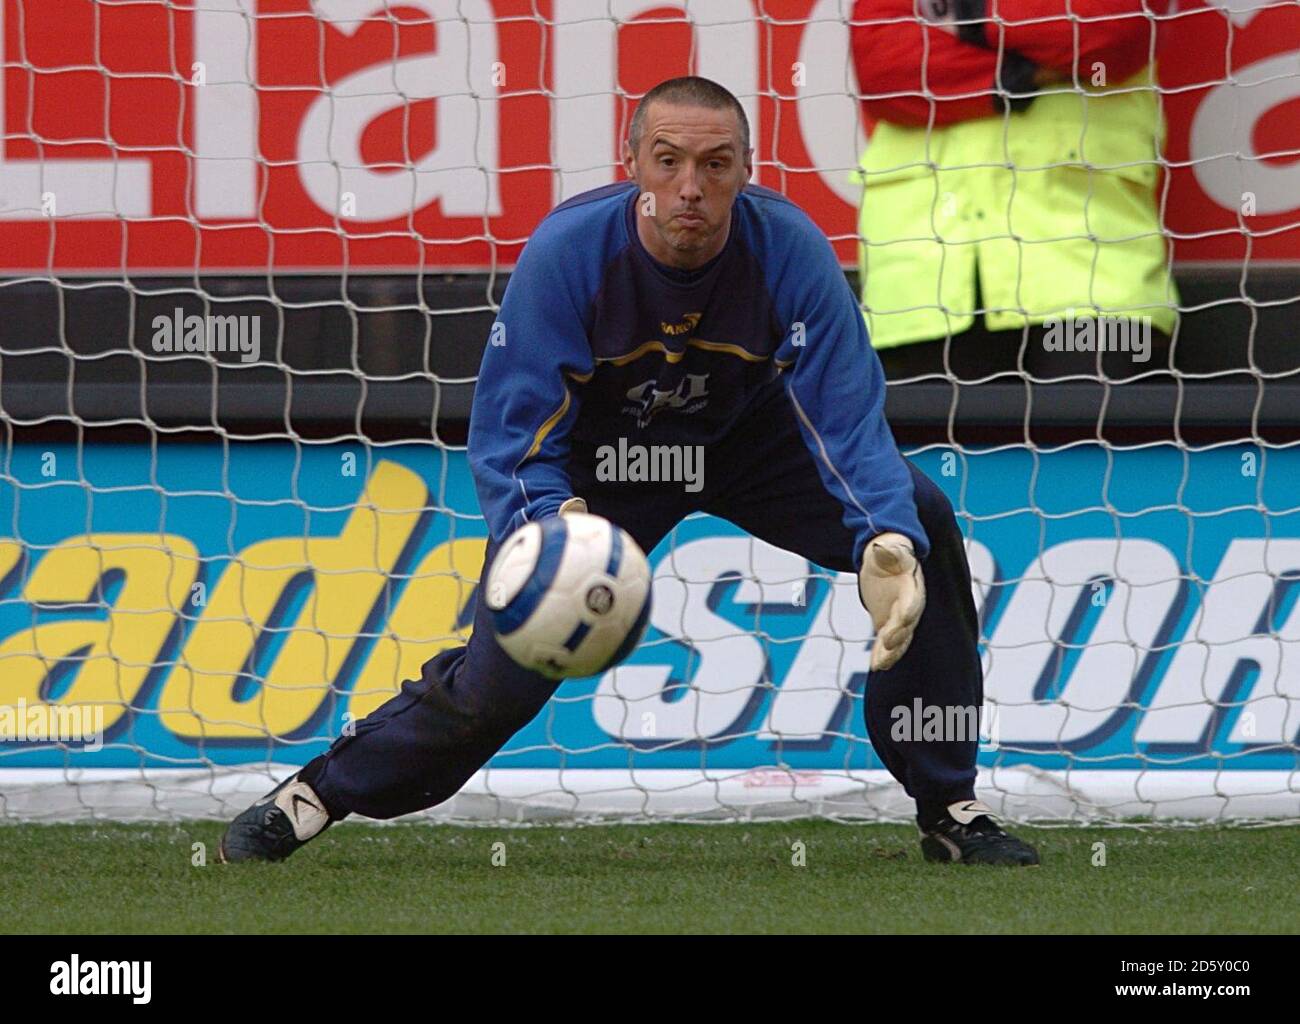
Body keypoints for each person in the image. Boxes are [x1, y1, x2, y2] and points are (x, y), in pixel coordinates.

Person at [219, 76, 1039, 867]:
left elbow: (846, 423)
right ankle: (319, 794)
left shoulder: (791, 252)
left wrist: (883, 534)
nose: (691, 186)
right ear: (633, 167)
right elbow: (513, 437)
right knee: (498, 679)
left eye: (716, 165)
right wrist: (549, 528)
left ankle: (950, 806)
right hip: (599, 472)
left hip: (751, 450)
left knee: (923, 523)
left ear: (744, 173)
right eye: (668, 160)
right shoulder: (570, 254)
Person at [851, 0, 1178, 381]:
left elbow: (1110, 29)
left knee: (1093, 436)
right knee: (925, 438)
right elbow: (884, 65)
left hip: (1096, 285)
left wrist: (961, 14)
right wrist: (1023, 71)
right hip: (920, 296)